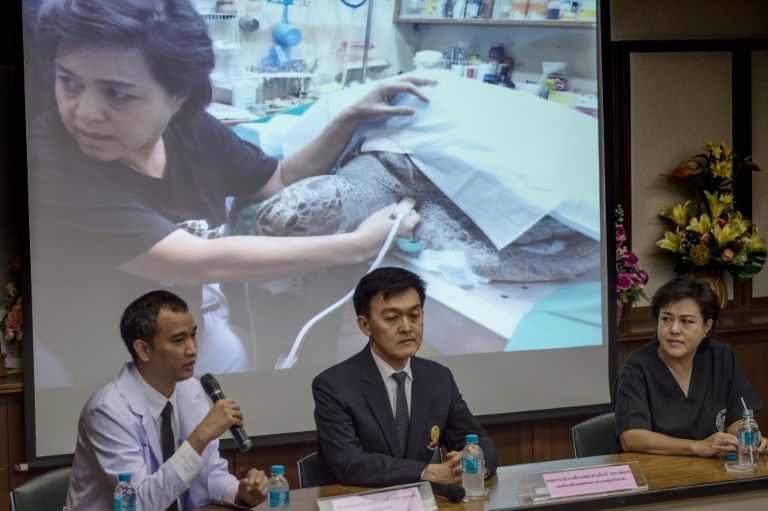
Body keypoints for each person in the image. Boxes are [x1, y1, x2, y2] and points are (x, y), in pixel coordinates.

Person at [27, 0, 425, 380]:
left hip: (180, 335)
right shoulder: (49, 160)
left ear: (177, 95)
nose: (83, 112)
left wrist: (348, 119)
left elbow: (278, 179)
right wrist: (357, 245)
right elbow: (192, 262)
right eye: (69, 82)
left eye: (116, 93)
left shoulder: (191, 129)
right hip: (92, 360)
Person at [67, 290, 269, 510]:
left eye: (193, 335)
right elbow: (139, 503)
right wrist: (201, 435)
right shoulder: (107, 411)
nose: (192, 349)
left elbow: (210, 476)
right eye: (178, 340)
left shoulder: (191, 390)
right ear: (144, 350)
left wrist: (240, 494)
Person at [312, 266, 497, 487]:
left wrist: (474, 463)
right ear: (365, 325)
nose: (407, 328)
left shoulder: (438, 377)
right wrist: (426, 472)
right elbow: (349, 463)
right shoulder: (334, 385)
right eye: (392, 318)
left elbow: (477, 441)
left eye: (414, 315)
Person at [614, 274, 767, 456]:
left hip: (713, 471)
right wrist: (698, 447)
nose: (674, 329)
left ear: (706, 326)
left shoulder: (720, 357)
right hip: (657, 474)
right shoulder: (636, 367)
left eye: (686, 321)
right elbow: (631, 437)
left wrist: (745, 435)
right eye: (666, 319)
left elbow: (736, 418)